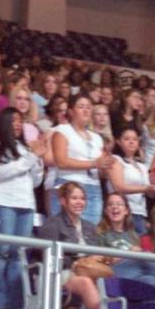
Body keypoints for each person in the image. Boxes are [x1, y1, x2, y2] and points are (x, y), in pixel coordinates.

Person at [0, 107, 44, 309]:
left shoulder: (26, 148)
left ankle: (16, 305)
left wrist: (37, 161)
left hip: (26, 204)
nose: (18, 124)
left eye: (20, 120)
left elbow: (36, 181)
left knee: (18, 255)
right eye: (13, 120)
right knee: (1, 252)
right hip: (3, 203)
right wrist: (29, 159)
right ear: (3, 123)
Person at [37, 182, 104, 309]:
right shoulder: (52, 224)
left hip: (88, 271)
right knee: (86, 282)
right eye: (74, 198)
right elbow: (49, 259)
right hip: (61, 273)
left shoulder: (90, 227)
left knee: (111, 282)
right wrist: (78, 263)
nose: (79, 202)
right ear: (63, 201)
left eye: (82, 198)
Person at [51, 92, 113, 222]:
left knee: (90, 234)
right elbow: (61, 161)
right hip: (69, 186)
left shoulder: (97, 138)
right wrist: (94, 163)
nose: (86, 110)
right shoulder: (62, 131)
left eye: (89, 107)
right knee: (67, 234)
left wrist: (107, 166)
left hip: (94, 190)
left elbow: (100, 169)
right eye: (81, 107)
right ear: (71, 111)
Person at [97, 193, 155, 289]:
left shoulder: (133, 236)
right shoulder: (101, 234)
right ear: (106, 211)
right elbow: (100, 260)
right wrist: (127, 253)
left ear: (126, 210)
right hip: (115, 271)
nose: (114, 207)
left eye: (119, 204)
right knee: (149, 259)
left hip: (136, 272)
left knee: (150, 280)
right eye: (110, 204)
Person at [108, 127, 155, 236]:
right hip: (123, 212)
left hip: (141, 212)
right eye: (127, 139)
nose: (131, 142)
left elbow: (150, 195)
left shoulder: (142, 166)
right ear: (118, 142)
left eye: (134, 139)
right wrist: (145, 188)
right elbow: (118, 187)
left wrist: (154, 187)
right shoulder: (116, 160)